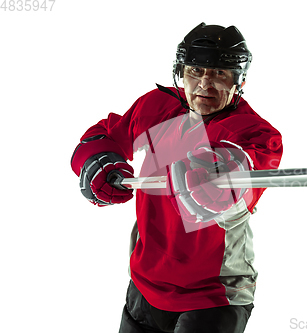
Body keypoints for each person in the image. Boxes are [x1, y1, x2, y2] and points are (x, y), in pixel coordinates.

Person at [70, 23, 283, 333]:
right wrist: (99, 162)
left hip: (215, 295)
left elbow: (242, 176)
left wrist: (217, 173)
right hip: (146, 283)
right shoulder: (157, 107)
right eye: (195, 70)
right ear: (180, 72)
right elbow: (104, 136)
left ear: (239, 81)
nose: (204, 85)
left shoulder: (256, 133)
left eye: (219, 74)